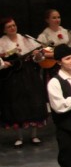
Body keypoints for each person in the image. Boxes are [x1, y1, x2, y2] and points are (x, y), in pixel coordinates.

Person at [0, 16, 48, 146]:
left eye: (14, 25)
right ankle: (19, 137)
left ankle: (34, 135)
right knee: (17, 105)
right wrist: (4, 64)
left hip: (29, 73)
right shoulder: (2, 42)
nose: (13, 28)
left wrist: (38, 55)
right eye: (9, 26)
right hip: (13, 76)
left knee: (34, 101)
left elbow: (38, 58)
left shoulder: (25, 39)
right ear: (4, 30)